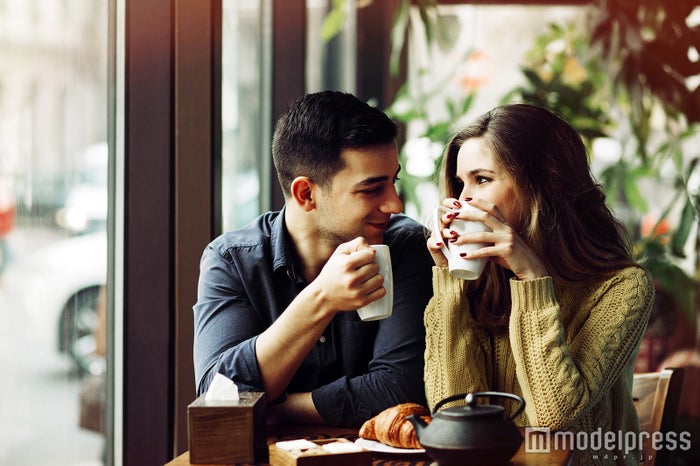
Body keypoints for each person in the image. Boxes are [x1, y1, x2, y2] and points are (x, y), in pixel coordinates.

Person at [424, 103, 653, 464]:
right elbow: (451, 414)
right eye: (459, 183)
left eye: (481, 179)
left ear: (541, 184)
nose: (462, 199)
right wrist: (451, 283)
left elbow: (553, 417)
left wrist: (531, 279)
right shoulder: (482, 282)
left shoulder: (624, 287)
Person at [193, 90, 433, 427]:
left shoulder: (406, 247)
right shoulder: (232, 261)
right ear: (306, 194)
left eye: (393, 182)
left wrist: (272, 409)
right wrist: (322, 298)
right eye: (372, 189)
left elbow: (400, 389)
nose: (395, 205)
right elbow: (218, 400)